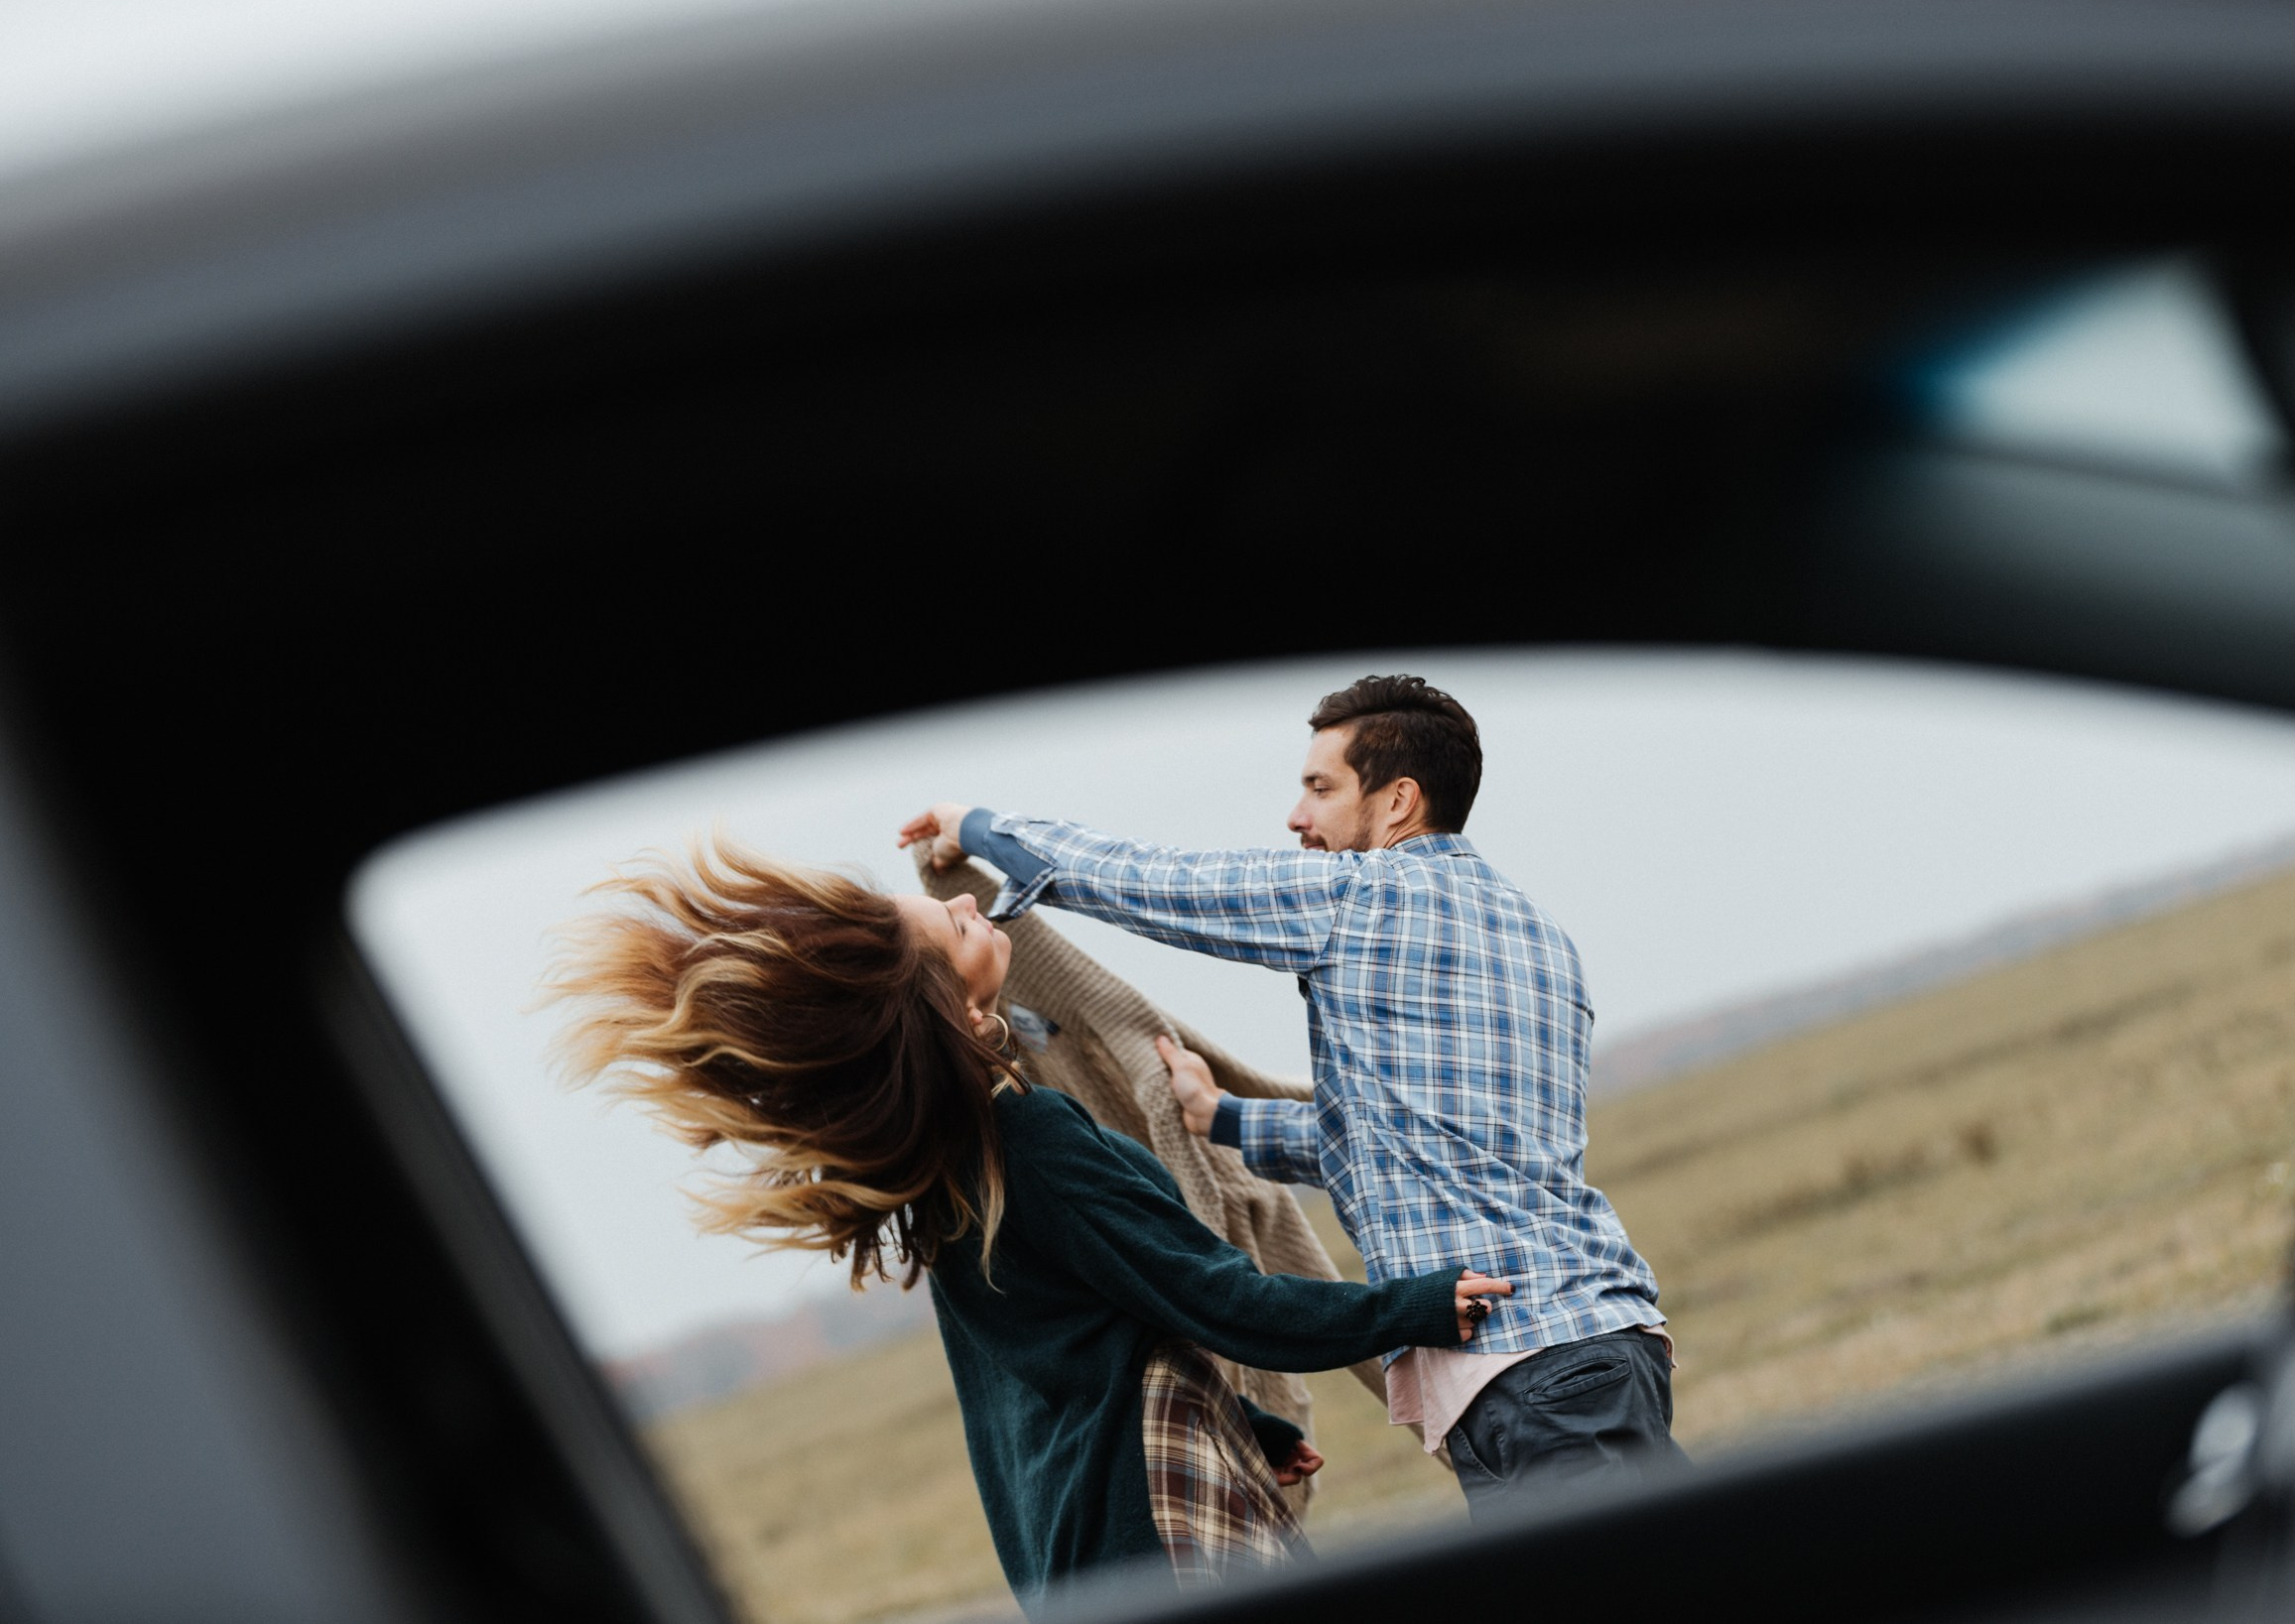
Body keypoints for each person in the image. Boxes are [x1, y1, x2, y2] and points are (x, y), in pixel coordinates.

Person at [544, 837, 1508, 1605]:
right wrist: (1418, 1307)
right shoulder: (1028, 1140)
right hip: (1151, 1535)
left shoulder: (951, 1171)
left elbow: (1073, 1350)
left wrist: (1242, 1420)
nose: (971, 906)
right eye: (952, 924)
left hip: (1075, 1544)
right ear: (944, 1007)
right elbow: (1231, 1303)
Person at [900, 674, 1682, 1519]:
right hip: (1603, 1343)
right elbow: (1420, 1140)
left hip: (1533, 1370)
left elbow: (1151, 881)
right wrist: (1224, 1118)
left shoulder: (1363, 899)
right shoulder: (1536, 933)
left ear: (1397, 802)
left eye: (1320, 787)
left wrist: (974, 827)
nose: (1295, 817)